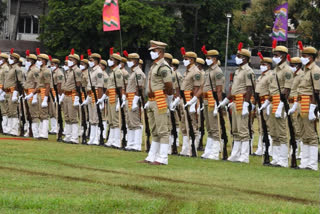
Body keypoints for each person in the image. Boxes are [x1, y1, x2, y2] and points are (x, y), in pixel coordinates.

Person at [218, 43, 254, 163]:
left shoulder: (248, 71)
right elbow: (234, 89)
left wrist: (246, 104)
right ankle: (235, 154)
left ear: (245, 58)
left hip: (242, 102)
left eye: (239, 56)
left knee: (243, 130)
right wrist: (225, 101)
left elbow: (249, 89)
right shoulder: (238, 70)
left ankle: (244, 156)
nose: (236, 58)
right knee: (236, 130)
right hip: (235, 102)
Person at [139, 40, 173, 165]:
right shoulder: (155, 66)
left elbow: (169, 84)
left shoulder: (163, 66)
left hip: (159, 99)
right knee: (154, 130)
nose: (152, 53)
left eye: (153, 51)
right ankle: (152, 156)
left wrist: (165, 97)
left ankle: (163, 157)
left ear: (160, 51)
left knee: (162, 129)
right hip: (152, 100)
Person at [259, 44, 293, 167]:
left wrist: (280, 106)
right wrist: (267, 102)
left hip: (281, 103)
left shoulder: (287, 70)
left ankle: (283, 159)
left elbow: (287, 90)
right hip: (273, 101)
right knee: (274, 131)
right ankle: (277, 158)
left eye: (276, 55)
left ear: (283, 56)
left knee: (282, 132)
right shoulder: (274, 71)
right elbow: (272, 89)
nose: (274, 57)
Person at [289, 45, 320, 170]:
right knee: (303, 134)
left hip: (309, 104)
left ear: (311, 58)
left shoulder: (315, 71)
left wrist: (313, 108)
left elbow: (317, 91)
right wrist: (296, 104)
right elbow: (301, 90)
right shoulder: (306, 70)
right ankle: (305, 162)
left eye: (304, 56)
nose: (302, 58)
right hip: (301, 103)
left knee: (310, 134)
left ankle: (312, 164)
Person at [179, 51, 202, 157]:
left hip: (190, 100)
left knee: (192, 125)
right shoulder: (187, 71)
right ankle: (185, 148)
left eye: (186, 58)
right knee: (184, 125)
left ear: (192, 60)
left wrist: (193, 103)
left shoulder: (195, 72)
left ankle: (192, 148)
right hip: (184, 99)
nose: (184, 60)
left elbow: (197, 88)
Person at [101, 51, 124, 149]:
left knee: (115, 120)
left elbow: (120, 87)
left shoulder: (118, 72)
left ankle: (117, 141)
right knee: (110, 119)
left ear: (116, 61)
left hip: (115, 97)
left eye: (111, 60)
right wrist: (103, 97)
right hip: (110, 96)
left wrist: (120, 99)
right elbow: (109, 87)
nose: (109, 61)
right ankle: (111, 139)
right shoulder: (112, 72)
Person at [82, 52, 104, 145]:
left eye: (91, 60)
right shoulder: (92, 71)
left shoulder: (98, 71)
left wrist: (100, 99)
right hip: (90, 95)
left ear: (96, 61)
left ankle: (96, 138)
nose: (89, 62)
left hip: (95, 95)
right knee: (91, 118)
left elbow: (100, 86)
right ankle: (92, 137)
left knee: (96, 118)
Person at [124, 53, 146, 151]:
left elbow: (139, 88)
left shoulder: (138, 73)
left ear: (136, 61)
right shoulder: (133, 72)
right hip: (129, 98)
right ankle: (131, 143)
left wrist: (135, 101)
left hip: (134, 98)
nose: (128, 62)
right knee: (130, 121)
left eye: (130, 60)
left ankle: (137, 145)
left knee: (135, 122)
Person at [60, 50, 82, 144]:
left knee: (73, 117)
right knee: (67, 116)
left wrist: (77, 97)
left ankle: (74, 137)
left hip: (72, 95)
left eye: (71, 59)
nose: (69, 61)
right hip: (66, 94)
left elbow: (78, 84)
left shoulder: (77, 71)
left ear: (75, 61)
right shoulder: (68, 70)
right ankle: (68, 136)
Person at [253, 54, 273, 156]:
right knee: (261, 127)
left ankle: (268, 148)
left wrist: (269, 104)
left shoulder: (270, 76)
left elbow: (272, 91)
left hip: (266, 102)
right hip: (259, 102)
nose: (262, 66)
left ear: (269, 66)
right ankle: (261, 148)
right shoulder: (261, 76)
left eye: (264, 64)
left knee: (268, 127)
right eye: (261, 64)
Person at [4, 50, 23, 136]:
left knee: (13, 112)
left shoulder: (17, 69)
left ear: (16, 60)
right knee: (8, 112)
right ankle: (9, 129)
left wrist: (16, 93)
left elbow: (19, 82)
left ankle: (14, 130)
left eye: (12, 58)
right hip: (7, 92)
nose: (10, 59)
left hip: (13, 92)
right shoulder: (10, 68)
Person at [23, 51, 40, 138]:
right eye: (27, 60)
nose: (27, 61)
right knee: (27, 113)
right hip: (26, 92)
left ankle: (35, 132)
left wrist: (34, 96)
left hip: (32, 92)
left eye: (29, 60)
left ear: (33, 61)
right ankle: (29, 130)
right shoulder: (28, 70)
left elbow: (38, 83)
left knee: (34, 113)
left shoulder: (35, 70)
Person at [0, 53, 10, 134]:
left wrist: (3, 91)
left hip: (2, 90)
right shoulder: (1, 67)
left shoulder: (6, 68)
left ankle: (5, 129)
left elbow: (6, 80)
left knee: (4, 111)